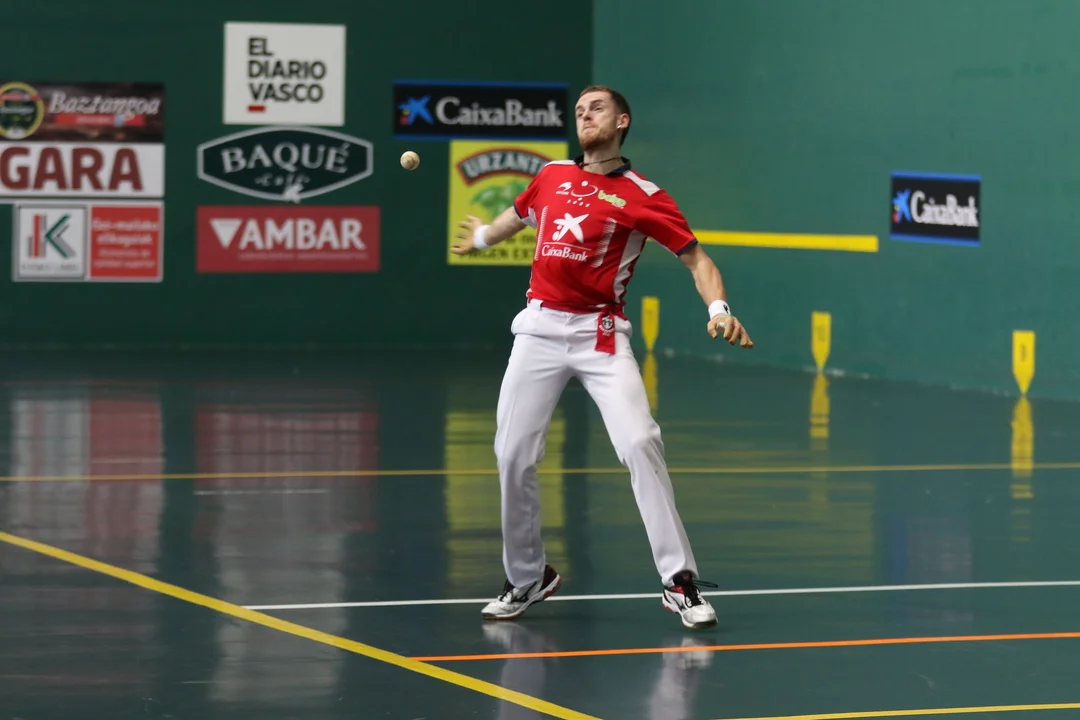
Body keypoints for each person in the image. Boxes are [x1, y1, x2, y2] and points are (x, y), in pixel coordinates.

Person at [451, 84, 754, 630]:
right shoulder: (550, 176)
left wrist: (719, 309)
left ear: (622, 121)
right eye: (579, 110)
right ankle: (528, 577)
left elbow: (697, 260)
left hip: (602, 334)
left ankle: (679, 582)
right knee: (512, 453)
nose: (584, 115)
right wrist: (483, 239)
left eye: (596, 108)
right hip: (539, 329)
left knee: (640, 442)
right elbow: (516, 217)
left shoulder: (644, 196)